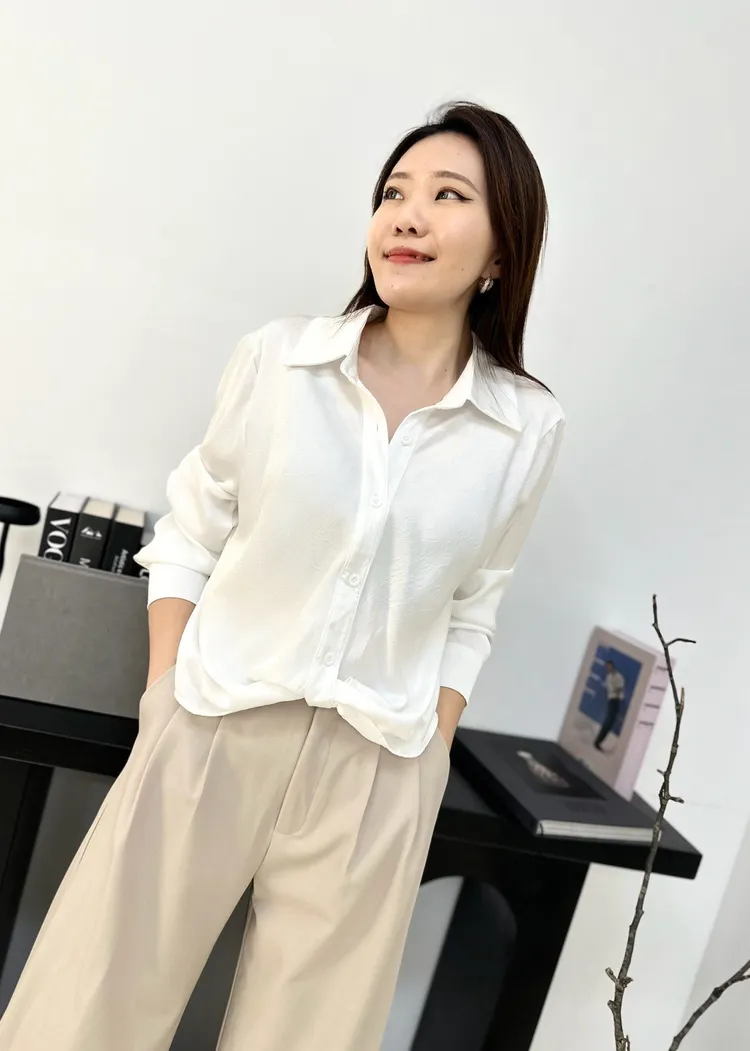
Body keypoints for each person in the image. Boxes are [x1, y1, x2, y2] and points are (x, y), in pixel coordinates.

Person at [0, 101, 565, 1051]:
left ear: (502, 250)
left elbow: (475, 603)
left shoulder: (525, 426)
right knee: (88, 1009)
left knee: (309, 1036)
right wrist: (166, 694)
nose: (408, 215)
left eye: (447, 196)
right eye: (394, 192)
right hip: (217, 722)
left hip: (376, 767)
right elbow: (191, 533)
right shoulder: (281, 362)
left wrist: (429, 750)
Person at [595, 659, 626, 750]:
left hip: (617, 700)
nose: (609, 668)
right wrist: (616, 691)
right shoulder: (608, 677)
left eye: (610, 666)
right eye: (607, 667)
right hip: (612, 700)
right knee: (608, 722)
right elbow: (612, 690)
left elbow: (620, 688)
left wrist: (617, 692)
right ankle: (597, 742)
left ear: (613, 666)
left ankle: (598, 741)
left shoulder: (619, 676)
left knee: (610, 723)